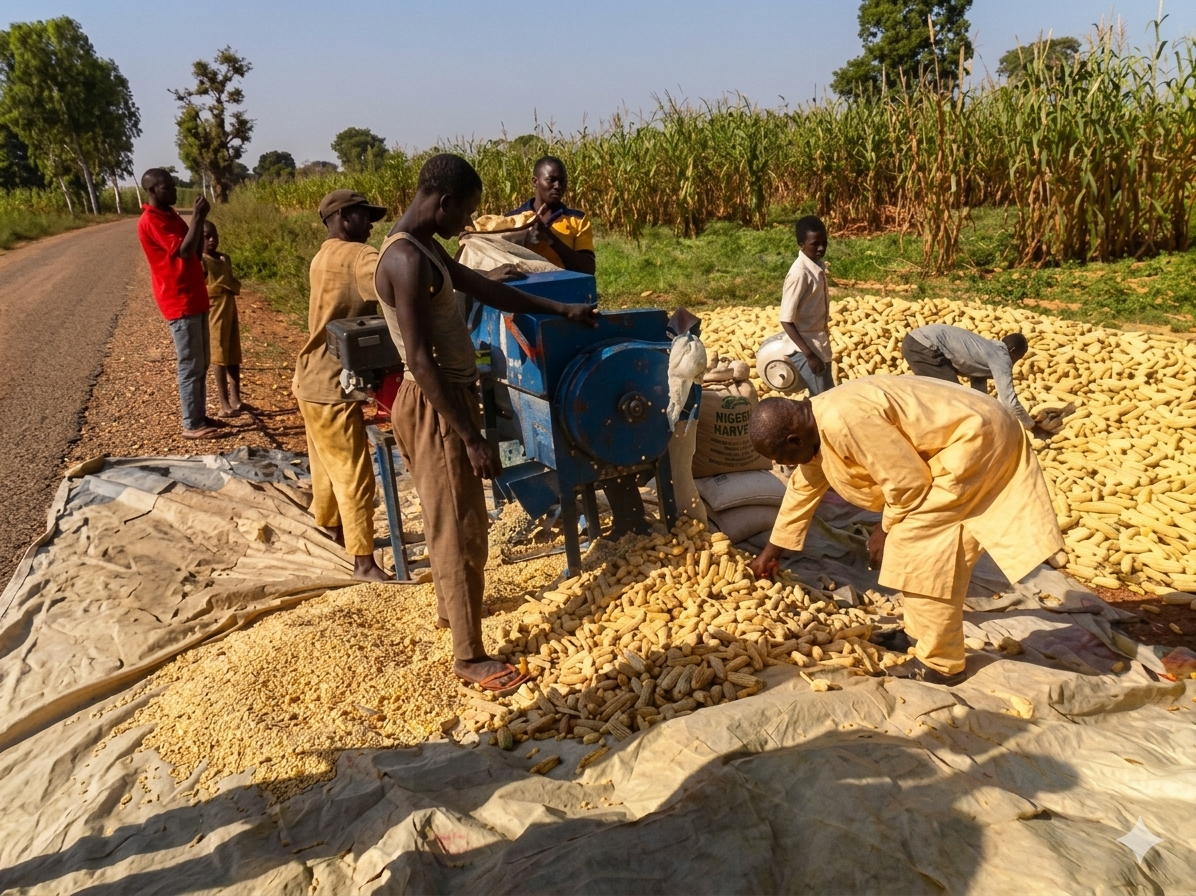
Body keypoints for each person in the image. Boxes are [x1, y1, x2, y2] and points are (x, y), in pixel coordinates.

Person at [374, 153, 599, 690]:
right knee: (459, 525)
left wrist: (558, 309)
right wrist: (471, 436)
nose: (465, 226)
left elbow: (483, 287)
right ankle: (469, 657)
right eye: (465, 213)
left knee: (449, 514)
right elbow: (422, 360)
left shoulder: (425, 248)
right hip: (435, 401)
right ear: (443, 202)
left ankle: (454, 614)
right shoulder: (406, 259)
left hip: (444, 395)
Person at [746, 376, 1065, 685]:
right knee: (913, 550)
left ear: (793, 441)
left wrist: (883, 530)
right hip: (969, 432)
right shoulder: (814, 422)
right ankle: (919, 632)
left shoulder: (846, 422)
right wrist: (771, 552)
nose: (787, 465)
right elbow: (804, 488)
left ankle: (941, 665)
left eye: (783, 459)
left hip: (975, 442)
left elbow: (908, 483)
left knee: (926, 557)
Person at [292, 189, 391, 583]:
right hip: (332, 384)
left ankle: (332, 528)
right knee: (353, 473)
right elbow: (400, 284)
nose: (370, 225)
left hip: (308, 376)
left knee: (324, 465)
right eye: (365, 217)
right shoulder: (359, 257)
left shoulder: (323, 255)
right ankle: (364, 562)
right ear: (345, 216)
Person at [136, 168, 223, 440]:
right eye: (167, 188)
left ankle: (199, 415)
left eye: (173, 186)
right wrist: (197, 216)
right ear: (151, 190)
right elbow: (185, 252)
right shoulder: (151, 221)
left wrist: (197, 224)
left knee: (202, 361)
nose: (174, 192)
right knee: (190, 363)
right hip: (178, 299)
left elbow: (194, 248)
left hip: (194, 295)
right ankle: (192, 423)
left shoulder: (171, 216)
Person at [901, 323, 1051, 438]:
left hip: (916, 341)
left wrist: (984, 413)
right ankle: (932, 435)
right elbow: (1008, 401)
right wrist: (1030, 425)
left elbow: (977, 392)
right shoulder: (1001, 357)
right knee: (954, 399)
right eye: (1018, 358)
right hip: (925, 346)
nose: (1014, 363)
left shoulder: (985, 350)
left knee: (951, 398)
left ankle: (923, 428)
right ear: (1013, 351)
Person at [504, 156, 596, 274]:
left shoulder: (578, 220)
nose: (558, 186)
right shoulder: (511, 220)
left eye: (562, 181)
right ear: (535, 182)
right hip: (523, 290)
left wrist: (550, 238)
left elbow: (588, 269)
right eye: (551, 180)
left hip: (564, 289)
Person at [778, 215, 834, 395]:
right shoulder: (799, 274)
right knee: (822, 401)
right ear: (801, 244)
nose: (821, 248)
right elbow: (786, 320)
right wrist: (809, 355)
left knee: (827, 396)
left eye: (824, 242)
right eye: (815, 244)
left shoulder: (816, 266)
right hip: (805, 348)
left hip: (819, 343)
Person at [201, 221, 246, 417]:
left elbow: (235, 287)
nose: (212, 240)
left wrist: (226, 269)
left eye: (215, 235)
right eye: (206, 236)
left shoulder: (224, 258)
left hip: (229, 310)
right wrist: (225, 283)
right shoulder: (201, 261)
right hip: (214, 313)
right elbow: (209, 289)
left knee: (233, 352)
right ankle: (223, 402)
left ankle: (236, 397)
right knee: (218, 356)